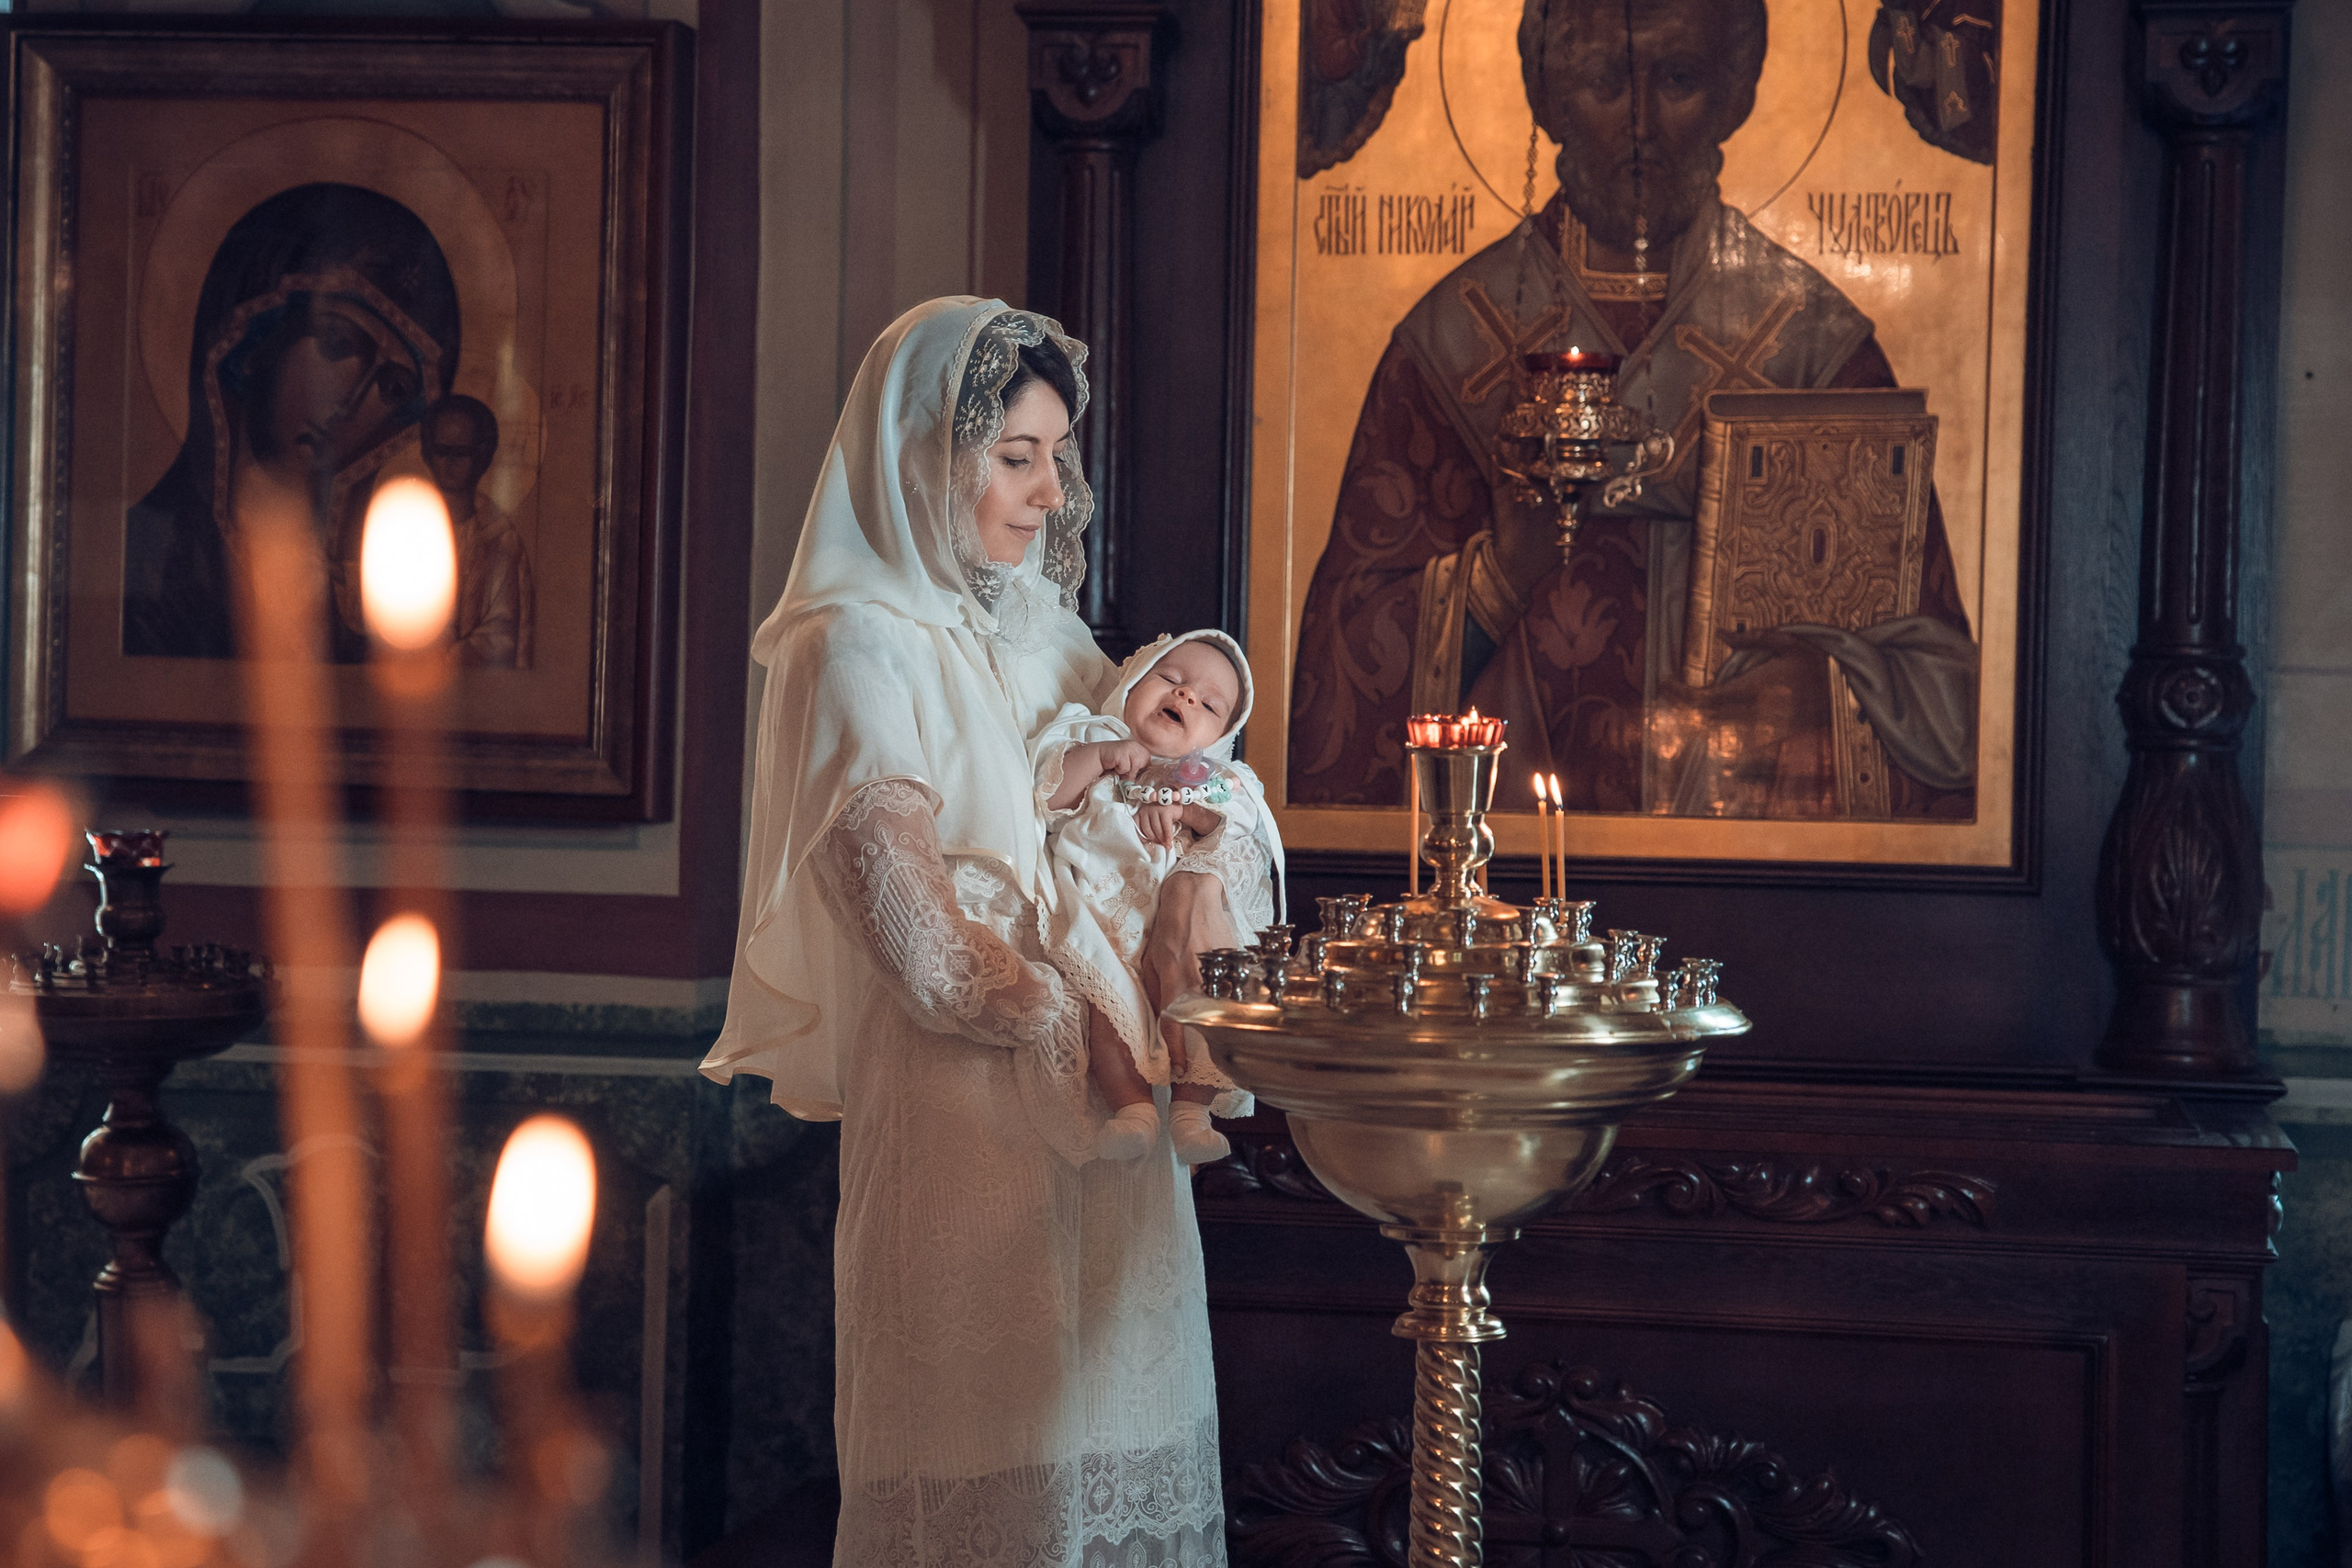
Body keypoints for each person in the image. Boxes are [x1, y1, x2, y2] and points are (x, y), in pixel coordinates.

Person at [701, 299, 1256, 1565]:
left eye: (1057, 456)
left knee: (1114, 1446)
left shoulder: (1045, 632)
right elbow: (910, 921)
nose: (1051, 491)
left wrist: (1196, 873)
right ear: (922, 457)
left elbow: (1181, 787)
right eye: (1017, 456)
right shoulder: (855, 643)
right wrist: (1058, 1005)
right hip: (966, 1111)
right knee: (987, 1474)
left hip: (1118, 1111)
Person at [1288, 0, 1977, 819]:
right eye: (1606, 81)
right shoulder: (1450, 346)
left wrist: (1825, 694)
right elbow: (1338, 682)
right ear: (1548, 97)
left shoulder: (1821, 354)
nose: (1642, 122)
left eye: (1678, 78)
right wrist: (1498, 577)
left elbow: (1945, 689)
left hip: (1747, 861)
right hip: (1507, 866)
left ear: (1735, 93)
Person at [124, 182, 459, 662]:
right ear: (253, 341)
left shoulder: (375, 599)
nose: (351, 402)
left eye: (392, 388)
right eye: (336, 343)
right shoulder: (142, 556)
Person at [1036, 629, 1280, 1166]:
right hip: (1106, 913)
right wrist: (1101, 757)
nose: (1186, 696)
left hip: (1179, 922)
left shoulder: (1214, 776)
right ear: (1131, 683)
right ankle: (1134, 1112)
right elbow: (1047, 796)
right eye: (1170, 678)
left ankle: (1192, 1113)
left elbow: (1241, 822)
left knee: (1202, 1002)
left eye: (1209, 705)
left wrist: (1183, 803)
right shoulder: (1088, 734)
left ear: (1220, 736)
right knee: (1110, 1007)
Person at [420, 395, 535, 667]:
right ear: (428, 453)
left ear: (482, 456)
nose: (450, 462)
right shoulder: (407, 529)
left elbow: (503, 634)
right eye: (441, 450)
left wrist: (447, 658)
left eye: (461, 453)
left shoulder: (500, 541)